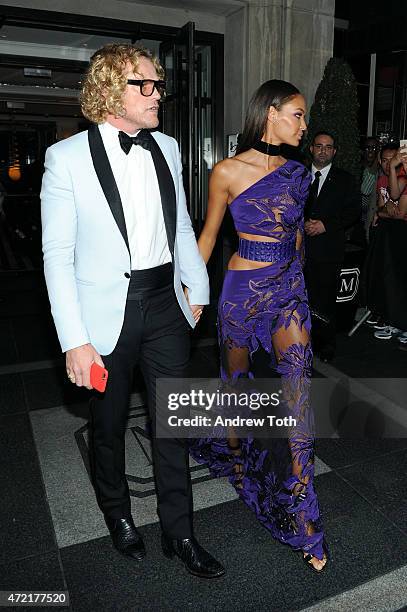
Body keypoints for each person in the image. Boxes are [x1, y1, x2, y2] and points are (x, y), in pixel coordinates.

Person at [41, 43, 225, 579]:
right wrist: (74, 339)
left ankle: (181, 531)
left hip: (166, 304)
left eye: (158, 83)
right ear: (108, 92)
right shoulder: (67, 158)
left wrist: (197, 291)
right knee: (109, 424)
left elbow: (181, 225)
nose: (157, 94)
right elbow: (57, 254)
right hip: (104, 315)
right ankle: (118, 515)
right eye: (144, 84)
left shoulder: (166, 146)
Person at [190, 80, 328, 572]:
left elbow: (295, 240)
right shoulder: (226, 171)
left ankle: (304, 514)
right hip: (242, 294)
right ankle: (236, 453)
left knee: (298, 393)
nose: (304, 125)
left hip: (288, 293)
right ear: (271, 113)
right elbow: (207, 237)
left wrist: (300, 295)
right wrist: (190, 296)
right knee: (236, 383)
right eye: (297, 114)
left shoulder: (298, 174)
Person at [304, 132, 360, 362]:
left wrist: (325, 225)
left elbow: (353, 211)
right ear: (311, 149)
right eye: (319, 146)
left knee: (325, 300)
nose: (323, 150)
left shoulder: (346, 180)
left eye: (328, 147)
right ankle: (299, 342)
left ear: (334, 151)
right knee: (299, 298)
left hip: (329, 250)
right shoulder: (297, 176)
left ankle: (325, 345)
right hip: (299, 249)